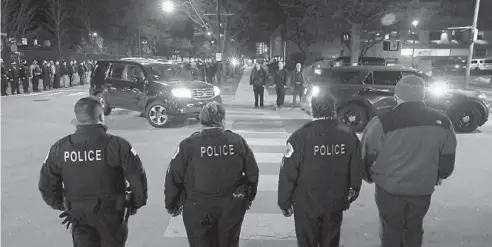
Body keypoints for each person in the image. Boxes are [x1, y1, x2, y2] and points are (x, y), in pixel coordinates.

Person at [360, 75, 457, 247]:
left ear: (397, 97)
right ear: (423, 96)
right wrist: (440, 174)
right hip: (422, 187)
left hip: (389, 188)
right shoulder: (443, 122)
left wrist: (368, 176)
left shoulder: (382, 122)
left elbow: (367, 153)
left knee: (391, 229)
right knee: (414, 227)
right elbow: (448, 159)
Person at [38, 96, 148, 247]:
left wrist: (61, 205)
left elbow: (46, 183)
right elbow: (138, 178)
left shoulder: (60, 148)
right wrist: (136, 203)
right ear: (101, 116)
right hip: (112, 214)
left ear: (78, 118)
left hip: (78, 215)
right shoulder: (118, 145)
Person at [165, 102, 259, 247]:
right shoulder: (237, 141)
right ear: (222, 120)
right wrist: (248, 196)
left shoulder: (189, 144)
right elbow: (253, 172)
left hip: (198, 207)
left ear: (201, 121)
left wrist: (172, 204)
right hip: (231, 205)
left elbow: (173, 175)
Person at [278, 95, 362, 247]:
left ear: (312, 109)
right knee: (330, 241)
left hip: (306, 203)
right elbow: (356, 167)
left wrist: (284, 202)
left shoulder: (300, 136)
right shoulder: (348, 134)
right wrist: (351, 194)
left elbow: (288, 172)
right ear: (333, 109)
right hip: (335, 201)